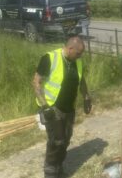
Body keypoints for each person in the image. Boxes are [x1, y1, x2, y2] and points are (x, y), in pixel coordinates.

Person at [32, 36, 92, 178]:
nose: (80, 56)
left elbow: (81, 80)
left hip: (69, 107)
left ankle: (58, 167)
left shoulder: (77, 61)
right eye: (78, 53)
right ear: (70, 48)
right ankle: (50, 171)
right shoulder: (49, 58)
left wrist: (86, 97)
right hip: (53, 108)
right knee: (57, 140)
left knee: (66, 138)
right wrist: (45, 106)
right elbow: (36, 82)